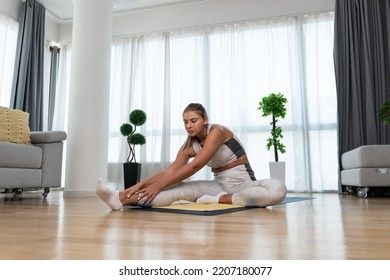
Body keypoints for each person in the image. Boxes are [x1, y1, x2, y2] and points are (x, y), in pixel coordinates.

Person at [96, 103, 287, 210]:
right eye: (185, 122)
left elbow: (196, 166)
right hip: (217, 185)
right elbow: (169, 172)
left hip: (244, 183)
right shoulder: (189, 145)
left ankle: (218, 200)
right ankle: (119, 198)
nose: (189, 125)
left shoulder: (218, 131)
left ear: (205, 120)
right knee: (174, 192)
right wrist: (142, 184)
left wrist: (158, 185)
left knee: (278, 189)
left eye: (193, 120)